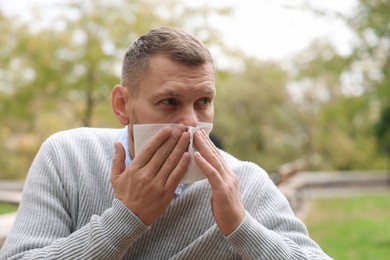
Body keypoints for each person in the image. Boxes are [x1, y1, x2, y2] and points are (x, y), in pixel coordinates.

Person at [0, 27, 331, 259]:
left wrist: (242, 226)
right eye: (170, 102)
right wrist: (125, 219)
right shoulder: (67, 157)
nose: (191, 122)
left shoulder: (244, 183)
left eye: (203, 101)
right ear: (122, 105)